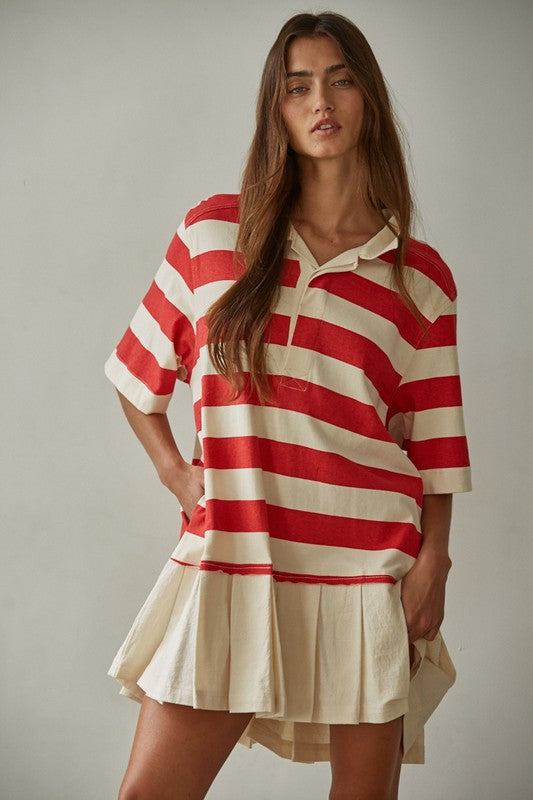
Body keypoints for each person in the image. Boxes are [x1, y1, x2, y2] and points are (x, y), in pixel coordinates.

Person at [104, 11, 472, 800]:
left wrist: (433, 564)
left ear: (368, 98)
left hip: (367, 570)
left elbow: (435, 445)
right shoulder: (211, 234)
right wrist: (177, 478)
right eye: (297, 86)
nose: (320, 101)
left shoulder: (419, 278)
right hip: (238, 551)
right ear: (275, 107)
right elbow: (137, 379)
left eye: (340, 80)